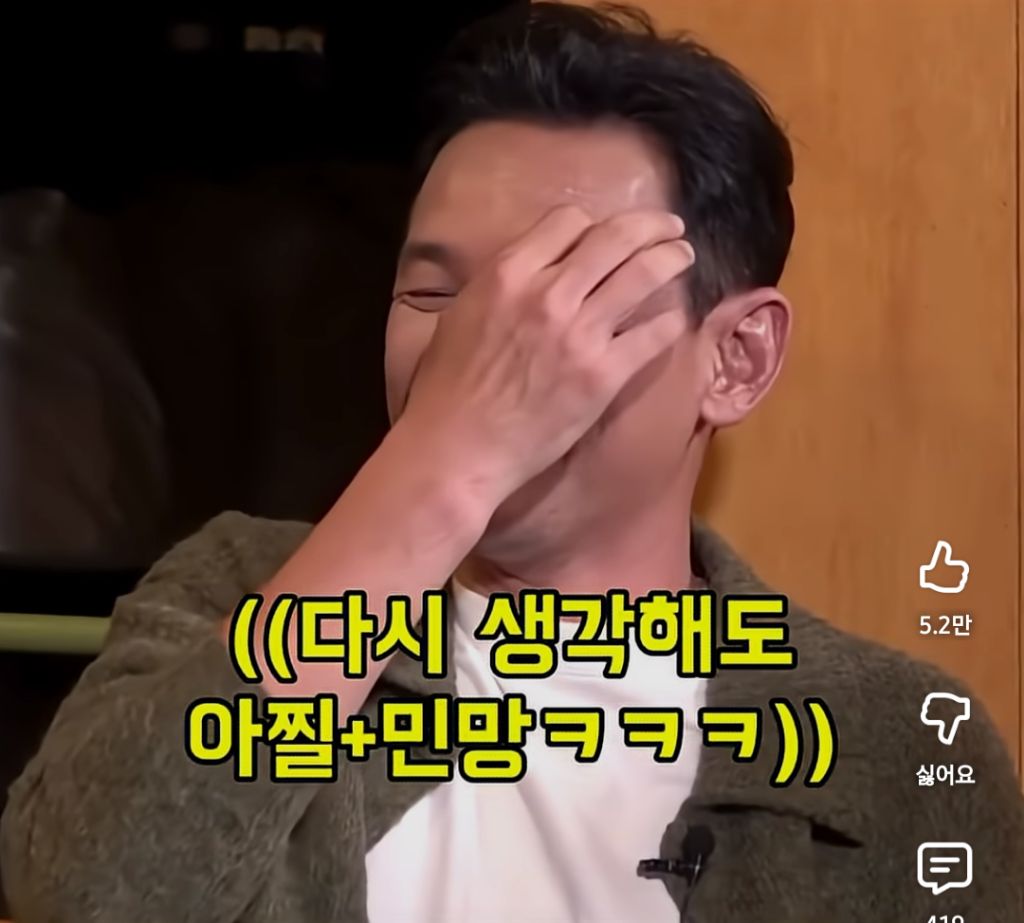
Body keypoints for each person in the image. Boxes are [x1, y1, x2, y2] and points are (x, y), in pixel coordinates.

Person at [3, 4, 1022, 922]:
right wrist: (447, 459)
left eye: (565, 296)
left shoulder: (900, 744)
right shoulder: (232, 590)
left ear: (735, 360)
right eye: (434, 296)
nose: (477, 348)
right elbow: (84, 893)